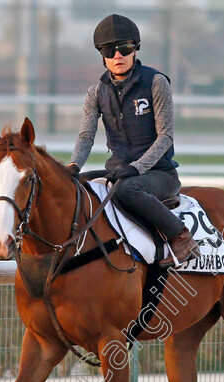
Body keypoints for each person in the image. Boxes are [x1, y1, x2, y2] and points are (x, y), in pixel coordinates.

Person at [66, 13, 200, 268]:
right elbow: (86, 136)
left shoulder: (156, 82)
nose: (117, 56)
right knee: (76, 184)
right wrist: (73, 166)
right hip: (120, 172)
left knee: (128, 189)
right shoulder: (95, 93)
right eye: (109, 50)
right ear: (102, 55)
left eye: (124, 48)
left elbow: (166, 136)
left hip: (159, 174)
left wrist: (137, 167)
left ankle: (181, 238)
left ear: (135, 50)